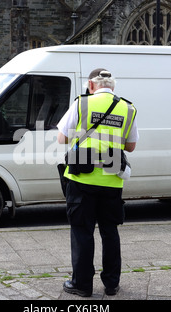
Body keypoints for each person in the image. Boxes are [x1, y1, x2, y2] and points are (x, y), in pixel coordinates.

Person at [56, 68, 139, 297]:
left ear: (91, 85)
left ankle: (82, 285)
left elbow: (61, 138)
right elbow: (130, 146)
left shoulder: (82, 104)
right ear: (113, 87)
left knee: (82, 231)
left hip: (81, 178)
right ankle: (111, 284)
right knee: (109, 232)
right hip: (112, 180)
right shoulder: (128, 108)